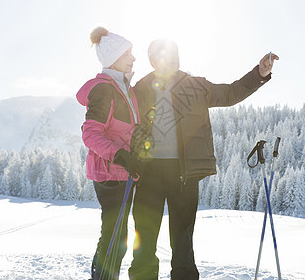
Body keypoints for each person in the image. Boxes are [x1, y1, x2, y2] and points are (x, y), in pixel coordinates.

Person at [128, 39, 279, 280]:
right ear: (154, 60)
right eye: (163, 55)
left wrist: (259, 74)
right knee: (144, 237)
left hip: (183, 173)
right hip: (149, 172)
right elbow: (123, 122)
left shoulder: (195, 86)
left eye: (173, 54)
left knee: (183, 240)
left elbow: (231, 93)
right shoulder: (140, 88)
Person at [76, 27, 143, 280]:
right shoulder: (105, 90)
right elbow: (90, 134)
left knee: (116, 237)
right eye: (128, 53)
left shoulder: (123, 88)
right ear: (114, 57)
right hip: (111, 173)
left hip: (122, 173)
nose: (133, 58)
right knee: (115, 237)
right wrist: (121, 156)